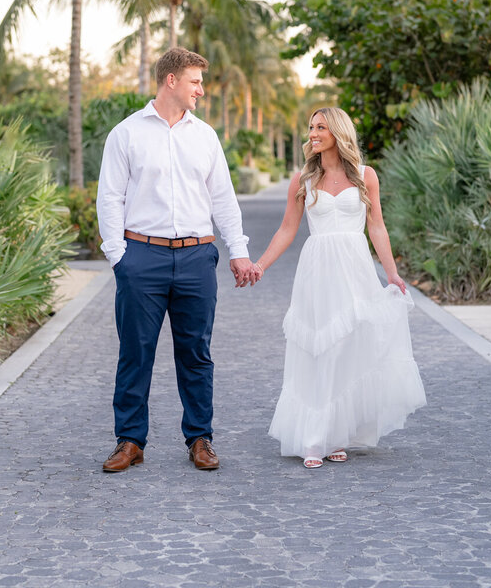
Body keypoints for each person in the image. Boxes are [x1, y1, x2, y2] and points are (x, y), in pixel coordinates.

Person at [96, 47, 260, 473]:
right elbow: (110, 198)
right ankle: (130, 441)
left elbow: (222, 198)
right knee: (136, 352)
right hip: (141, 257)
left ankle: (200, 439)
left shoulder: (204, 136)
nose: (201, 91)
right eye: (195, 82)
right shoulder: (126, 134)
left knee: (196, 353)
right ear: (171, 81)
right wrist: (120, 258)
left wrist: (238, 252)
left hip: (195, 258)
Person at [252, 107, 426, 468]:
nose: (313, 133)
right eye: (311, 127)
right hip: (318, 271)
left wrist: (391, 273)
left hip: (356, 268)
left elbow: (376, 226)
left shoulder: (365, 176)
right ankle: (314, 439)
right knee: (319, 348)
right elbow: (287, 229)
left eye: (320, 127)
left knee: (348, 348)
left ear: (338, 132)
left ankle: (336, 434)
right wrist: (260, 265)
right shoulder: (303, 179)